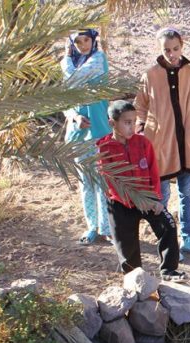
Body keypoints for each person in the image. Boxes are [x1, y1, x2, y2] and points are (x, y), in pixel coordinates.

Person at [134, 27, 190, 261]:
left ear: (182, 45)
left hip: (186, 143)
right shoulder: (150, 75)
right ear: (160, 50)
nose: (172, 54)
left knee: (186, 192)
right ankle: (167, 241)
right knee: (163, 194)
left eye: (175, 49)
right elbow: (140, 105)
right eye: (166, 50)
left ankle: (187, 239)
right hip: (160, 144)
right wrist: (142, 130)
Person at [97, 100, 185, 281]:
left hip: (147, 198)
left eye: (134, 121)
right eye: (127, 122)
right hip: (120, 203)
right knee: (127, 247)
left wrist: (155, 199)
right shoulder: (104, 148)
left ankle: (169, 270)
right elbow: (111, 181)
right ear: (112, 123)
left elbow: (153, 172)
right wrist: (134, 199)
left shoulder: (143, 143)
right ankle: (135, 280)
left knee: (168, 225)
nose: (132, 127)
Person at [61, 28, 113, 245]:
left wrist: (64, 60)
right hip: (78, 134)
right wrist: (74, 117)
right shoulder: (71, 62)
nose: (83, 45)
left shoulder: (98, 59)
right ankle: (92, 226)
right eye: (78, 42)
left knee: (102, 180)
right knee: (86, 181)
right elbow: (65, 101)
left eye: (86, 40)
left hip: (99, 130)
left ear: (93, 41)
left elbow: (75, 79)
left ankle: (106, 227)